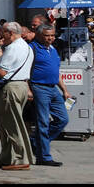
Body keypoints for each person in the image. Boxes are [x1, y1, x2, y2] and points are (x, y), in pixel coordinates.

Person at [0, 21, 34, 171]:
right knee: (5, 124)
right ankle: (6, 158)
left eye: (3, 32)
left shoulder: (14, 48)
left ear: (11, 33)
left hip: (11, 88)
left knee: (13, 124)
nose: (1, 35)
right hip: (20, 86)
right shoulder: (26, 47)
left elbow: (2, 72)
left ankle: (21, 159)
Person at [29, 23, 70, 167]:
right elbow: (26, 69)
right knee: (43, 122)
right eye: (47, 36)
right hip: (39, 87)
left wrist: (64, 89)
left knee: (63, 119)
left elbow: (56, 72)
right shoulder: (32, 48)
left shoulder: (52, 49)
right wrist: (29, 88)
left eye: (53, 35)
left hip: (53, 88)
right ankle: (44, 156)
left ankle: (35, 142)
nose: (50, 38)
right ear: (39, 35)